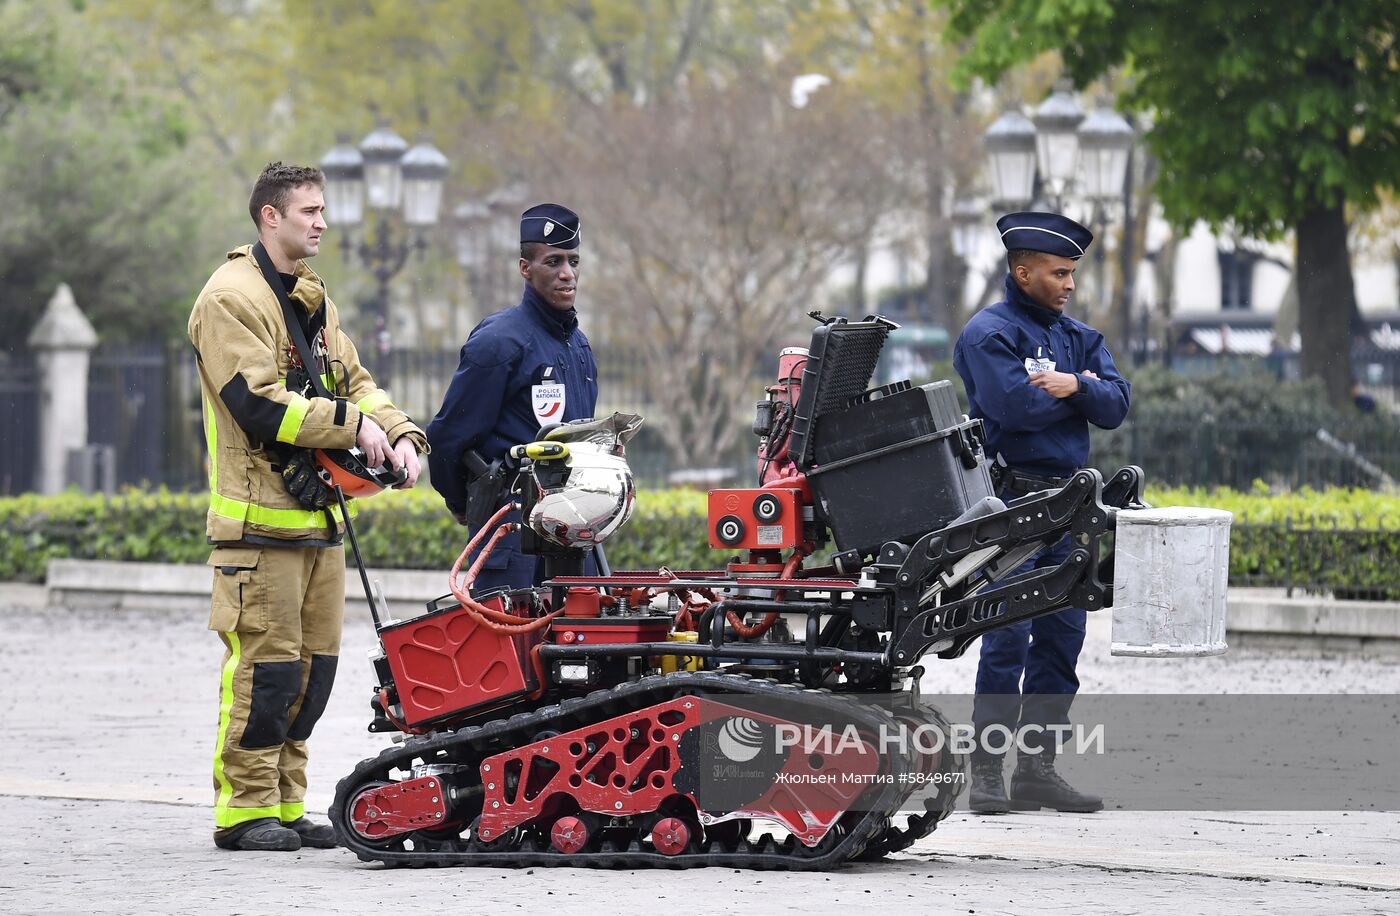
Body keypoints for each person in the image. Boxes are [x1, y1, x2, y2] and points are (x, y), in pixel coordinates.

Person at [187, 162, 427, 851]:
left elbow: (356, 382)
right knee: (266, 675)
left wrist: (402, 434)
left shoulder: (309, 298)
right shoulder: (230, 297)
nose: (322, 222)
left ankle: (287, 805)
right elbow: (256, 402)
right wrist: (356, 429)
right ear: (270, 216)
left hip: (315, 526)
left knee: (310, 677)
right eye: (309, 211)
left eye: (323, 210)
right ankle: (244, 811)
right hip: (257, 528)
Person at [952, 210, 1132, 815]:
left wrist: (1073, 387)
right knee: (1008, 637)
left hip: (1072, 507)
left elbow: (1116, 405)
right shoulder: (987, 333)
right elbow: (1013, 409)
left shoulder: (1080, 338)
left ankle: (1036, 772)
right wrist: (1078, 392)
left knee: (1062, 639)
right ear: (1023, 272)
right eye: (1059, 273)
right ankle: (986, 774)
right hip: (1014, 506)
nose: (1070, 284)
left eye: (1072, 273)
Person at [427, 204, 598, 591]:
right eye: (553, 262)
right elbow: (446, 440)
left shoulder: (579, 345)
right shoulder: (499, 342)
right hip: (511, 536)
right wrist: (469, 504)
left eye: (573, 261)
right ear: (525, 268)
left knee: (576, 647)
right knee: (511, 648)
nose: (567, 273)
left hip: (571, 534)